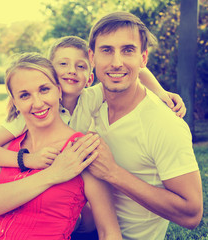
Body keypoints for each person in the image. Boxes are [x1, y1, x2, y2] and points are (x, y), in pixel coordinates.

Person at [0, 36, 186, 238]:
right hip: (26, 177)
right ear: (52, 74)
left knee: (65, 205)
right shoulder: (26, 116)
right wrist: (28, 160)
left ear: (89, 77)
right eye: (62, 64)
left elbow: (136, 70)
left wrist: (163, 94)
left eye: (81, 66)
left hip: (68, 185)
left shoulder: (90, 98)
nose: (71, 71)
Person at [0, 52, 122, 240]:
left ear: (59, 91)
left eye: (44, 89)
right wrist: (52, 174)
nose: (38, 103)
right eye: (25, 95)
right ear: (15, 102)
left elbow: (108, 231)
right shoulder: (6, 148)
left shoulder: (82, 150)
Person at [85, 11, 203, 239]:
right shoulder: (88, 103)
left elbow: (192, 214)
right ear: (92, 58)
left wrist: (113, 173)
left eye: (128, 50)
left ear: (143, 58)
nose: (116, 62)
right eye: (106, 50)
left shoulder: (164, 124)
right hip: (82, 226)